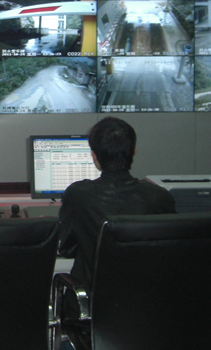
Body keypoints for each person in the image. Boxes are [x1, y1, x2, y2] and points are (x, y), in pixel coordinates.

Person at [57, 117, 176, 346]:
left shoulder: (78, 195)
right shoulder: (160, 198)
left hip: (91, 312)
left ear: (94, 156)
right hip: (149, 311)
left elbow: (66, 247)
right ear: (134, 151)